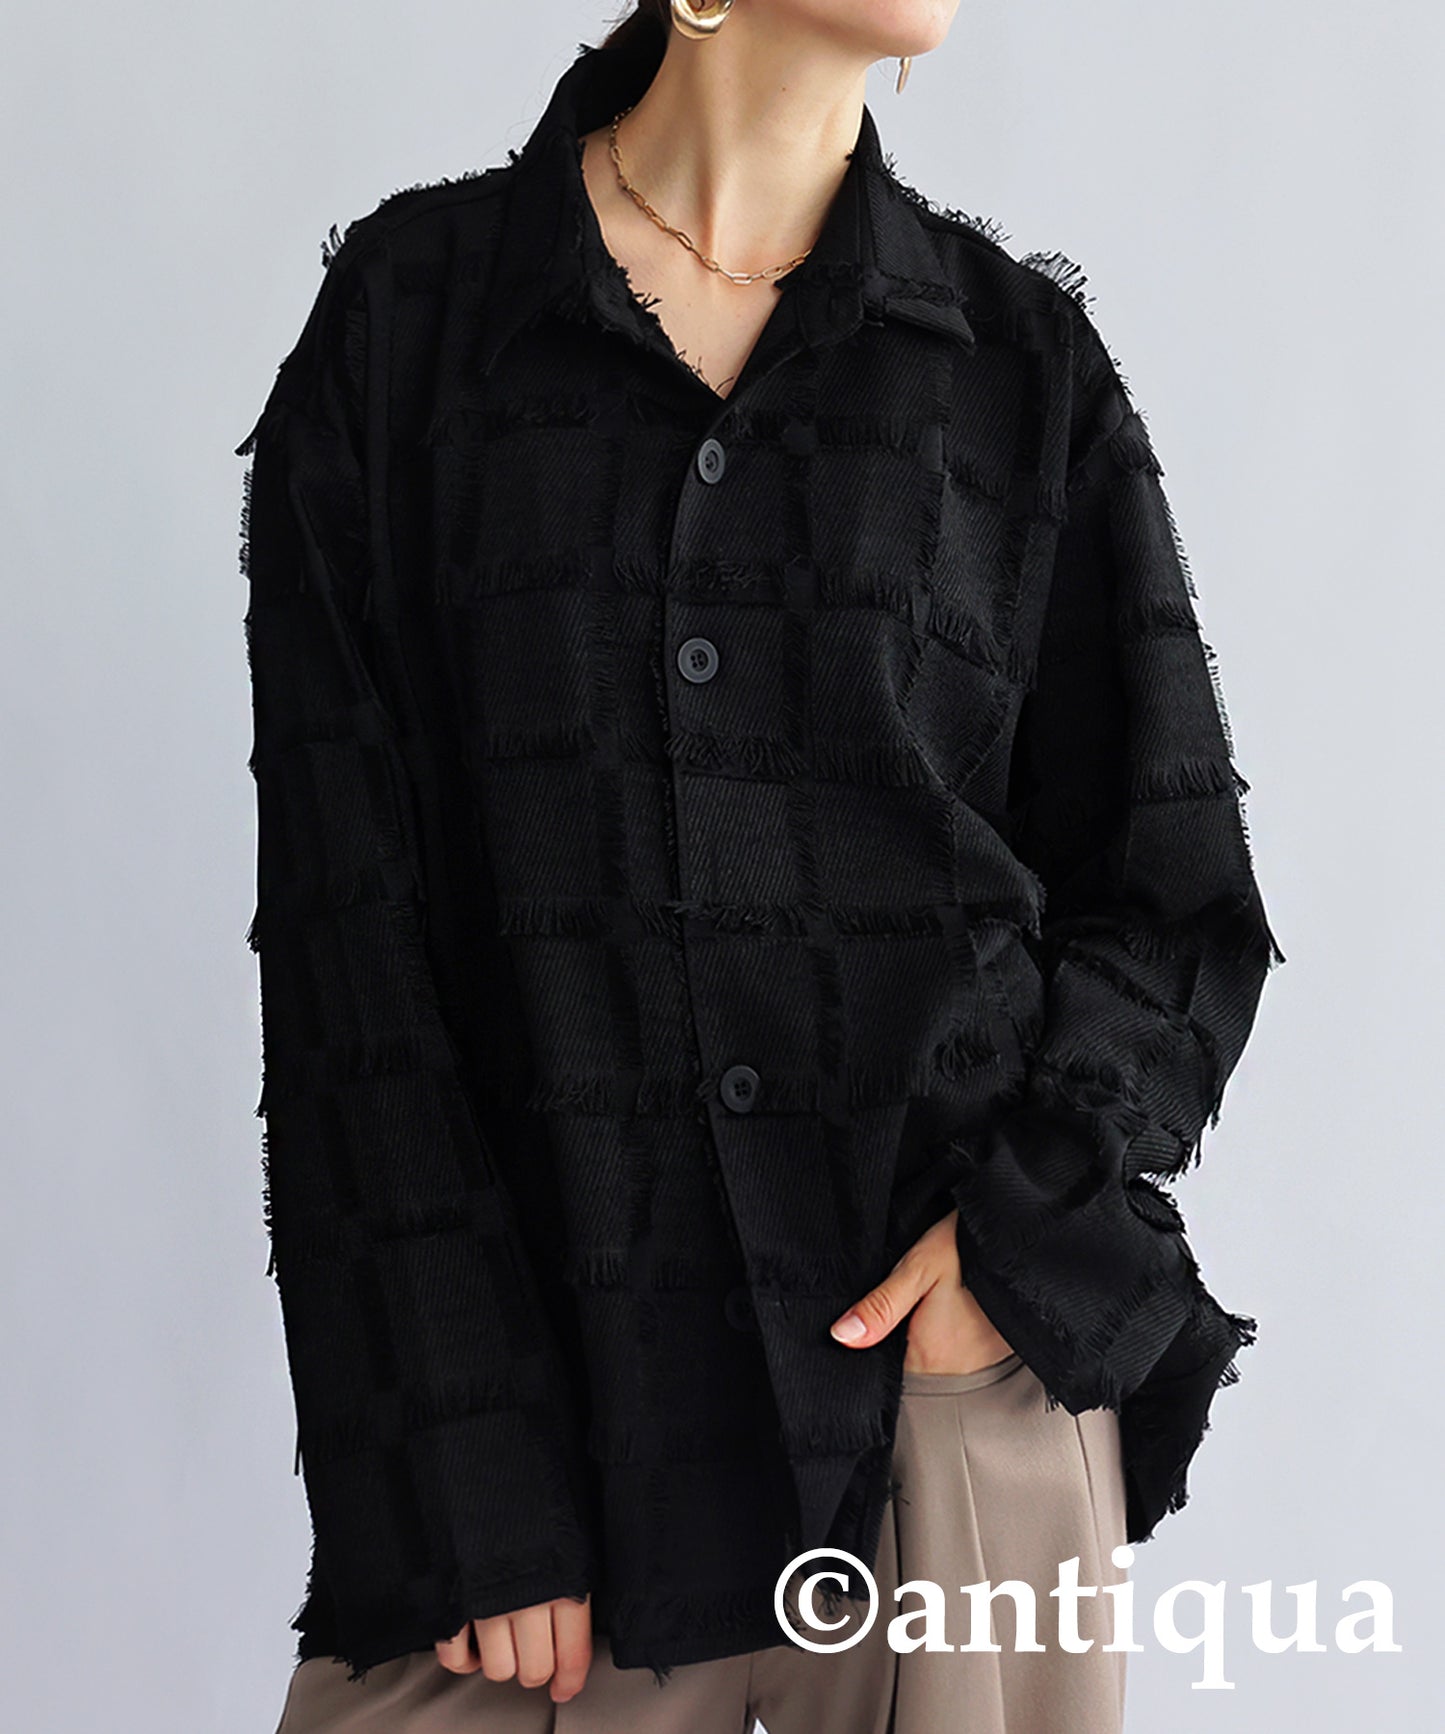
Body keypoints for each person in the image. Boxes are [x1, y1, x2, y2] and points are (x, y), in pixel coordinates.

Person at [239, 3, 1283, 1730]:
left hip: (948, 1428)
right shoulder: (411, 335)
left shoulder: (1017, 370)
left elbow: (1172, 899)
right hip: (550, 1475)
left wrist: (1014, 1235)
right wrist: (463, 1465)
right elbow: (351, 951)